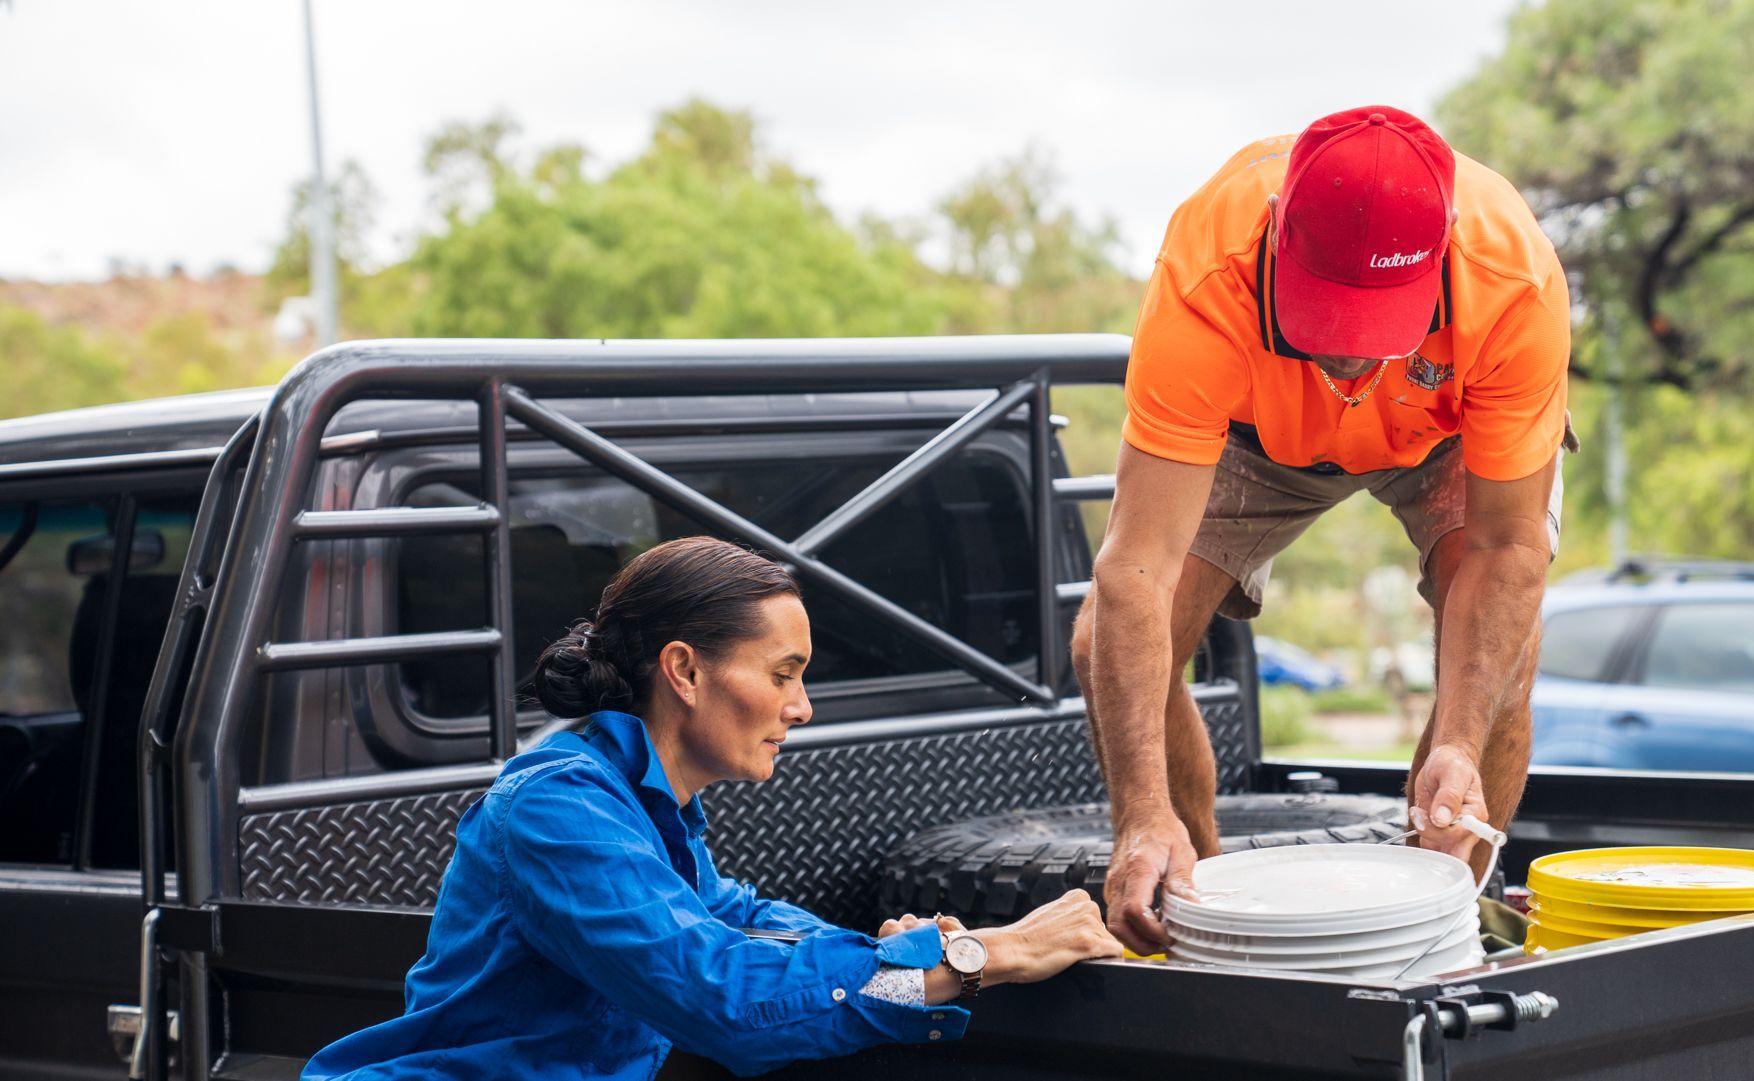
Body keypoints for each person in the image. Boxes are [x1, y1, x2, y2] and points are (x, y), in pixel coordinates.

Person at [305, 536, 1120, 1080]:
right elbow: (723, 999)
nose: (801, 707)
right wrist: (985, 955)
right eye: (781, 673)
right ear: (685, 671)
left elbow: (743, 924)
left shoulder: (647, 813)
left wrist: (921, 952)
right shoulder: (558, 809)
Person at [1074, 105, 1574, 955]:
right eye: (1327, 312)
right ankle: (1198, 894)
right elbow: (1137, 573)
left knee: (1501, 668)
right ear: (1277, 231)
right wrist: (1140, 812)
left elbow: (1506, 548)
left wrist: (1456, 735)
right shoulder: (1208, 266)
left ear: (1445, 245)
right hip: (1256, 432)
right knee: (1107, 641)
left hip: (1448, 431)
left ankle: (1431, 936)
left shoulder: (1513, 277)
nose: (1348, 352)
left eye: (1377, 319)